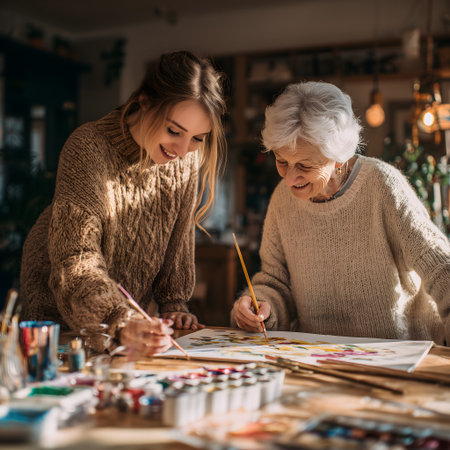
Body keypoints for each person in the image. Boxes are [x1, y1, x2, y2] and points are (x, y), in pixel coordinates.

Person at [20, 50, 227, 355]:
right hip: (59, 320)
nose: (183, 149)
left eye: (199, 137)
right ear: (144, 102)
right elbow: (76, 259)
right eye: (174, 131)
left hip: (124, 328)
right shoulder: (87, 147)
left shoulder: (185, 160)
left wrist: (174, 303)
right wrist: (118, 320)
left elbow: (178, 237)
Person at [231, 81, 450, 345]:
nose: (290, 178)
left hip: (396, 354)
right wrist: (262, 307)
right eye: (282, 161)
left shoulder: (383, 186)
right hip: (318, 356)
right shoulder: (282, 199)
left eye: (304, 165)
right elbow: (274, 281)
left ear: (340, 156)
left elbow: (440, 266)